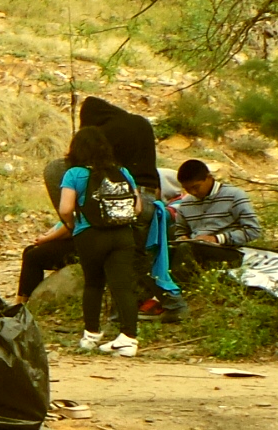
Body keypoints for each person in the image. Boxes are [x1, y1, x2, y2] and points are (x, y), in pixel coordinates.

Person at [78, 96, 186, 322]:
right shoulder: (141, 123)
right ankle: (122, 311)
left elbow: (99, 169)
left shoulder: (104, 134)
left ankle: (174, 305)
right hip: (151, 200)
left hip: (128, 201)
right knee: (144, 256)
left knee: (128, 259)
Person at [59, 127, 144, 357]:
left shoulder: (75, 174)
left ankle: (91, 335)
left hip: (90, 234)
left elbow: (66, 208)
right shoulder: (123, 172)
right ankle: (128, 338)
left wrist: (71, 225)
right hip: (123, 234)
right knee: (123, 287)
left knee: (93, 284)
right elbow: (137, 207)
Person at [172, 158, 261, 269]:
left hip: (228, 251)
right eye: (187, 189)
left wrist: (216, 239)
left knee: (187, 249)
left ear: (209, 178)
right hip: (194, 247)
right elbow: (181, 231)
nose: (193, 192)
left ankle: (174, 285)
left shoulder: (234, 195)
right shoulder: (185, 203)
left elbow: (253, 230)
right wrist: (182, 237)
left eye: (196, 187)